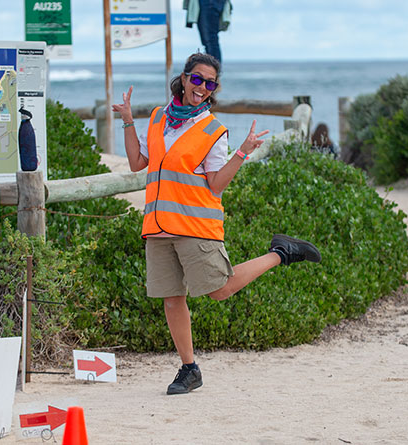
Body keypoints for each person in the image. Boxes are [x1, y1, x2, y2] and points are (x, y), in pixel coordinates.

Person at [112, 53, 321, 395]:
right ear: (183, 78)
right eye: (197, 80)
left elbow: (216, 185)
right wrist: (127, 121)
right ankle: (189, 368)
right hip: (158, 226)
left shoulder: (213, 130)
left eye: (210, 84)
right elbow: (137, 162)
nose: (202, 88)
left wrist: (243, 151)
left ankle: (281, 252)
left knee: (219, 290)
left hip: (196, 225)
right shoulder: (157, 117)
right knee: (171, 298)